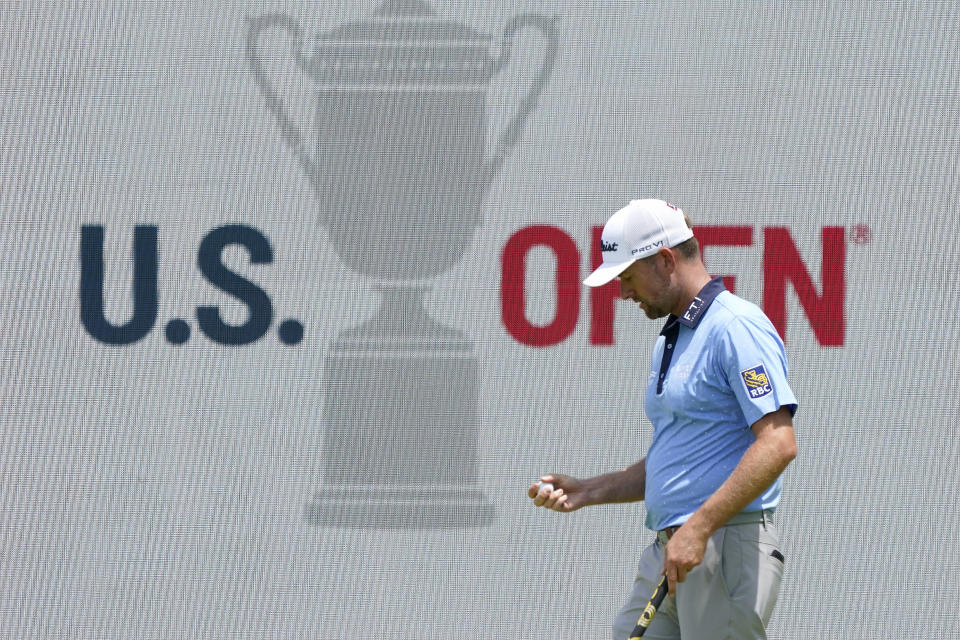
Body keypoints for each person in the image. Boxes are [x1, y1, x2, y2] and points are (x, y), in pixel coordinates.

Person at [528, 199, 798, 639]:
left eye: (629, 277)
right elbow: (676, 458)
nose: (624, 293)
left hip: (722, 548)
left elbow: (778, 443)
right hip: (674, 549)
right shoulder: (673, 338)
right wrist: (589, 490)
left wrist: (700, 527)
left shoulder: (736, 326)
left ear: (666, 260)